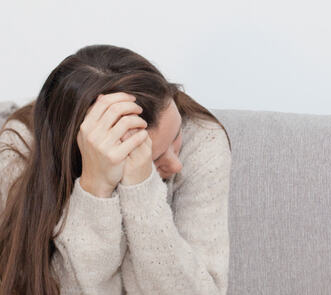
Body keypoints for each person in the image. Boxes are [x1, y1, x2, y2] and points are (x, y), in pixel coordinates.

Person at [0, 45, 232, 294]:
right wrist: (95, 188)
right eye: (153, 160)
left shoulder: (201, 140)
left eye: (175, 136)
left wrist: (141, 190)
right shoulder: (19, 150)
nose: (176, 165)